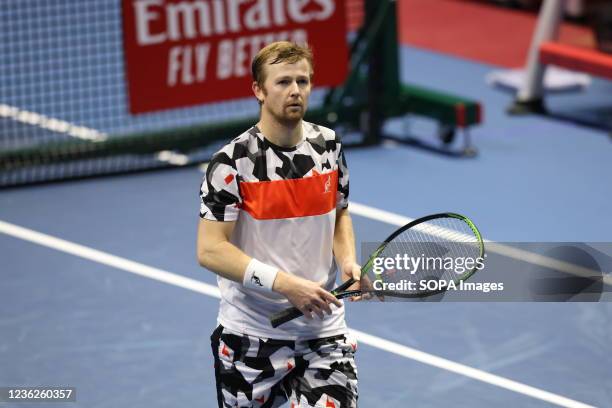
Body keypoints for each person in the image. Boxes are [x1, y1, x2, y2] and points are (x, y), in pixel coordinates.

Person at [197, 41, 364, 408]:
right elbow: (210, 251)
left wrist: (350, 263)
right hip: (252, 334)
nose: (295, 91)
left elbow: (340, 214)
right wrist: (285, 284)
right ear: (259, 90)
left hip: (324, 332)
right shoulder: (231, 163)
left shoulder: (328, 146)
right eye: (283, 82)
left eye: (302, 82)